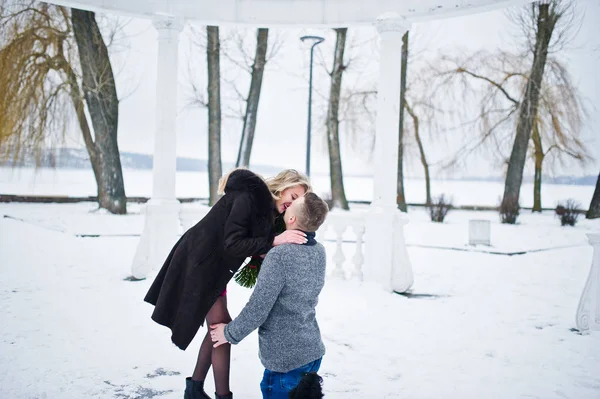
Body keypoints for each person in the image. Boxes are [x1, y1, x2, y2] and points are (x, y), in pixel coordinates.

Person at [144, 168, 312, 399]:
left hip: (215, 266)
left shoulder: (268, 213)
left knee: (219, 329)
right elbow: (233, 244)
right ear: (282, 188)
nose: (292, 204)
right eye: (292, 197)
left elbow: (253, 244)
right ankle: (219, 395)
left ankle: (194, 389)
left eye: (298, 202)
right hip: (201, 261)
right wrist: (273, 241)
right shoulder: (248, 198)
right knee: (223, 328)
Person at [210, 192, 329, 399]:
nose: (288, 205)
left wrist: (229, 333)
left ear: (291, 219)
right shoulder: (319, 251)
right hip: (312, 352)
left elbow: (259, 307)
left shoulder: (281, 255)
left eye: (292, 205)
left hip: (286, 362)